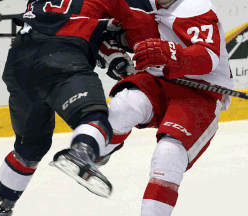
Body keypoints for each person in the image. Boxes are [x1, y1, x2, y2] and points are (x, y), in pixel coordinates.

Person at [0, 0, 156, 215]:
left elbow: (73, 23)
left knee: (30, 147)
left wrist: (109, 50)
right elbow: (139, 22)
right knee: (94, 117)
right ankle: (82, 152)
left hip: (19, 61)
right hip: (62, 57)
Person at [99, 0, 234, 215]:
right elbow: (107, 27)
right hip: (159, 80)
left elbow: (208, 56)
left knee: (169, 154)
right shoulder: (139, 5)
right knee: (123, 106)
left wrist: (175, 56)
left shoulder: (196, 6)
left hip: (201, 91)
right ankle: (96, 150)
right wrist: (108, 46)